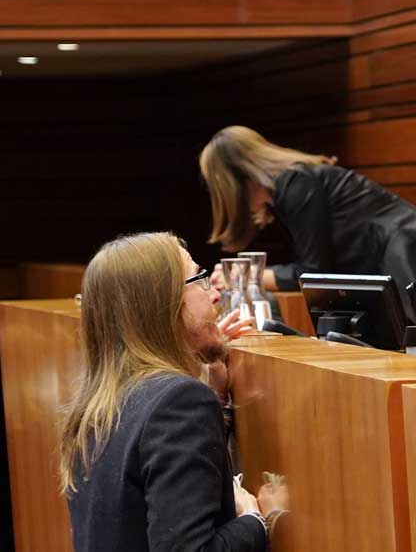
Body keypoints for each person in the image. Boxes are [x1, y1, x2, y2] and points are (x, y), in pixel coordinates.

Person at [58, 232, 284, 551]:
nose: (216, 295)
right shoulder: (179, 401)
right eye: (201, 278)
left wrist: (215, 397)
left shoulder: (100, 402)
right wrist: (257, 519)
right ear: (164, 303)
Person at [200, 126, 416, 294]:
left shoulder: (295, 183)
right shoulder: (286, 191)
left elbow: (314, 273)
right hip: (411, 260)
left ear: (235, 179)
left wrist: (248, 276)